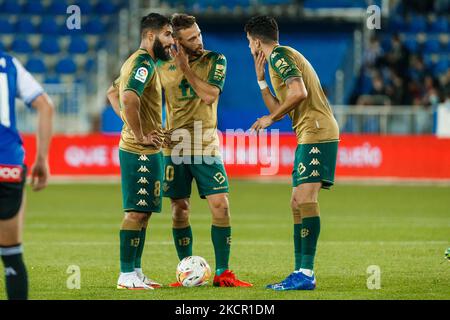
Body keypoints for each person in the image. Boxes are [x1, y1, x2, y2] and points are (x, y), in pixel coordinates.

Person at [245, 16, 340, 290]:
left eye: (248, 42)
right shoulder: (276, 61)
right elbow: (280, 104)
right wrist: (261, 81)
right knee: (296, 202)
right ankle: (299, 271)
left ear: (256, 40)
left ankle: (306, 273)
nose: (249, 48)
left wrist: (269, 119)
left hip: (317, 130)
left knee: (305, 197)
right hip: (307, 132)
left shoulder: (280, 55)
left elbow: (299, 92)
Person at [158, 13, 252, 287]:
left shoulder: (215, 60)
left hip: (205, 144)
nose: (198, 41)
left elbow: (210, 95)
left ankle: (223, 273)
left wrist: (185, 68)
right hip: (175, 147)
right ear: (177, 40)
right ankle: (185, 270)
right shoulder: (161, 65)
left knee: (221, 206)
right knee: (180, 210)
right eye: (191, 38)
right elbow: (125, 93)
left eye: (198, 34)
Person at [106, 13, 174, 290]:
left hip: (146, 148)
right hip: (139, 151)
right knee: (136, 212)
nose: (172, 41)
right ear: (150, 36)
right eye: (167, 35)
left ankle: (135, 271)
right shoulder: (143, 63)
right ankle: (125, 275)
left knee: (143, 212)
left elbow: (112, 93)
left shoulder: (139, 62)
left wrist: (144, 126)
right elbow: (126, 96)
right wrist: (138, 133)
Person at [0, 52, 54, 299]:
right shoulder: (7, 63)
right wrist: (41, 159)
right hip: (7, 165)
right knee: (11, 254)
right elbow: (45, 105)